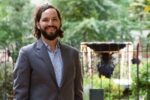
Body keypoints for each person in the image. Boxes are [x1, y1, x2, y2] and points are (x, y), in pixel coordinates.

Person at [13, 4, 83, 100]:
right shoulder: (26, 54)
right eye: (45, 20)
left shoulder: (73, 54)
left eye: (54, 19)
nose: (51, 23)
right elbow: (20, 95)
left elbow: (78, 93)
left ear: (60, 23)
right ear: (38, 24)